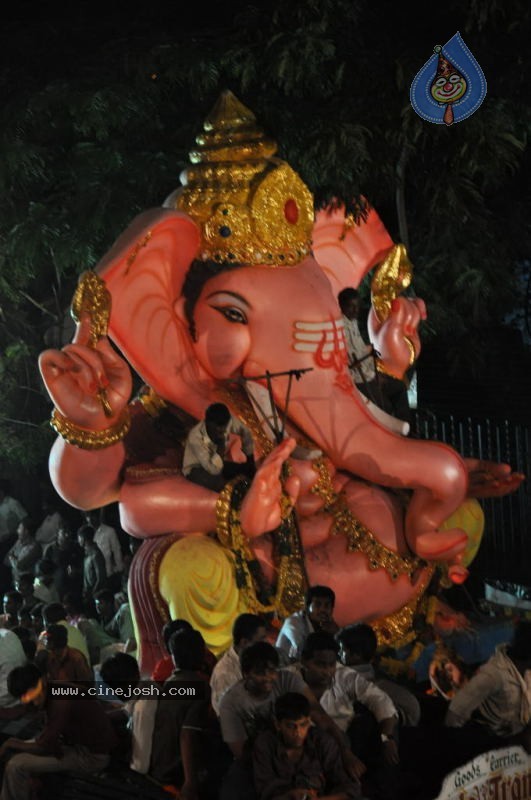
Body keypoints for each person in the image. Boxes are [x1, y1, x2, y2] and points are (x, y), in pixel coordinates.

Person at [0, 662, 117, 800]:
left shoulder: (61, 701)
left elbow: (44, 746)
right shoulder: (54, 688)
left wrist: (11, 743)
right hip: (72, 745)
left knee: (16, 765)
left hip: (91, 757)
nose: (35, 703)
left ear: (43, 681)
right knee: (18, 752)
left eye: (35, 697)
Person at [253, 692, 360, 800]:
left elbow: (349, 787)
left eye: (303, 725)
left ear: (309, 721)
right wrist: (290, 795)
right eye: (291, 726)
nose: (298, 732)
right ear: (278, 725)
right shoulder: (265, 745)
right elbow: (264, 791)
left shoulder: (322, 742)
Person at [445, 620, 531, 751]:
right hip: (494, 745)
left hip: (517, 743)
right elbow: (456, 712)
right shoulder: (493, 675)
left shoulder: (526, 672)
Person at [150, 628, 214, 796]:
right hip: (177, 771)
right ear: (202, 654)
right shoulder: (200, 687)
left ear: (173, 657)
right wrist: (190, 781)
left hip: (158, 766)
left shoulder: (171, 682)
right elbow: (188, 735)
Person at [337, 624, 421, 727]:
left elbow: (412, 707)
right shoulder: (375, 677)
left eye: (343, 649)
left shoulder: (372, 685)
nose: (339, 653)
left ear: (357, 654)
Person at [100, 651, 157, 775]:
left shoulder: (142, 709)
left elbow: (140, 766)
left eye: (116, 688)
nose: (115, 693)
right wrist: (100, 717)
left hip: (151, 772)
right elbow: (126, 711)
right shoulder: (147, 685)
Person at [183, 402, 256, 492]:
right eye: (218, 427)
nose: (222, 430)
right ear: (208, 423)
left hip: (217, 462)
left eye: (224, 426)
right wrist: (221, 447)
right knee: (223, 485)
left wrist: (250, 459)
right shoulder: (195, 438)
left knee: (246, 470)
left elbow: (245, 431)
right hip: (197, 469)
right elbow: (213, 469)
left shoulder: (227, 422)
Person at [211, 613, 268, 715]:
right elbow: (227, 715)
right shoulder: (225, 674)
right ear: (244, 642)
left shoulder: (257, 659)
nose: (266, 643)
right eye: (261, 639)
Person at [338, 288, 379, 405]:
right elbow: (354, 359)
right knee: (385, 406)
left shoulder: (352, 321)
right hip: (357, 378)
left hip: (367, 374)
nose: (356, 310)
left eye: (357, 306)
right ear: (342, 306)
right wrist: (372, 375)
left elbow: (360, 349)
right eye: (351, 306)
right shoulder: (341, 325)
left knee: (399, 387)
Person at [276, 586, 339, 662]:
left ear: (332, 609)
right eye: (317, 605)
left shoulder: (329, 625)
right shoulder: (294, 621)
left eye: (327, 605)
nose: (323, 610)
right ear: (307, 607)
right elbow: (303, 648)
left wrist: (336, 634)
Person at [85, 510, 124, 591]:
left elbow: (116, 551)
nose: (91, 519)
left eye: (93, 516)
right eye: (88, 517)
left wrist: (119, 570)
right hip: (95, 580)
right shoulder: (87, 534)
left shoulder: (109, 531)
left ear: (98, 516)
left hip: (109, 575)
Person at [77, 523, 107, 601]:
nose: (78, 540)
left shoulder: (95, 554)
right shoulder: (88, 554)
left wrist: (92, 594)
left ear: (83, 538)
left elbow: (101, 578)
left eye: (79, 537)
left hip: (95, 597)